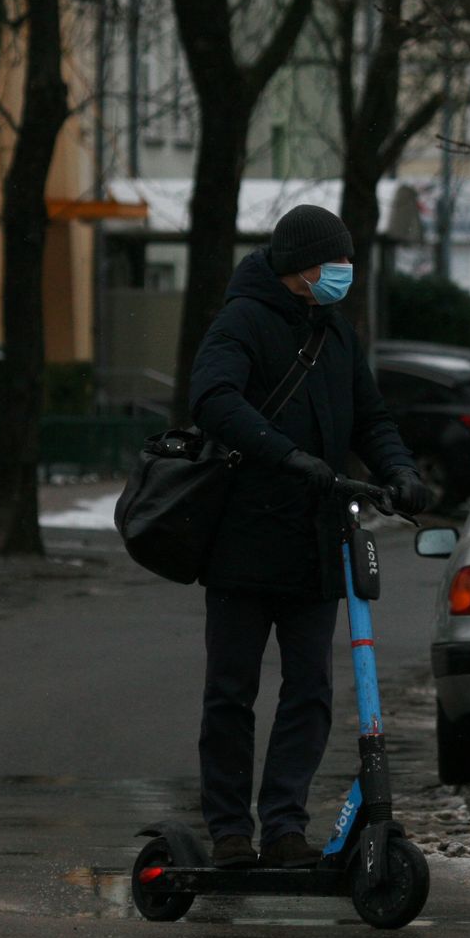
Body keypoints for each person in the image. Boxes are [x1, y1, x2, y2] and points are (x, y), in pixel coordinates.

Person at [187, 204, 432, 870]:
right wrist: (283, 454)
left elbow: (371, 416)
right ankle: (231, 831)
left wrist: (400, 471)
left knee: (311, 691)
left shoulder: (336, 332)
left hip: (318, 542)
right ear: (300, 267)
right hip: (243, 541)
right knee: (232, 693)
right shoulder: (242, 320)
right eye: (336, 264)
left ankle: (286, 826)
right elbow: (212, 398)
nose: (346, 274)